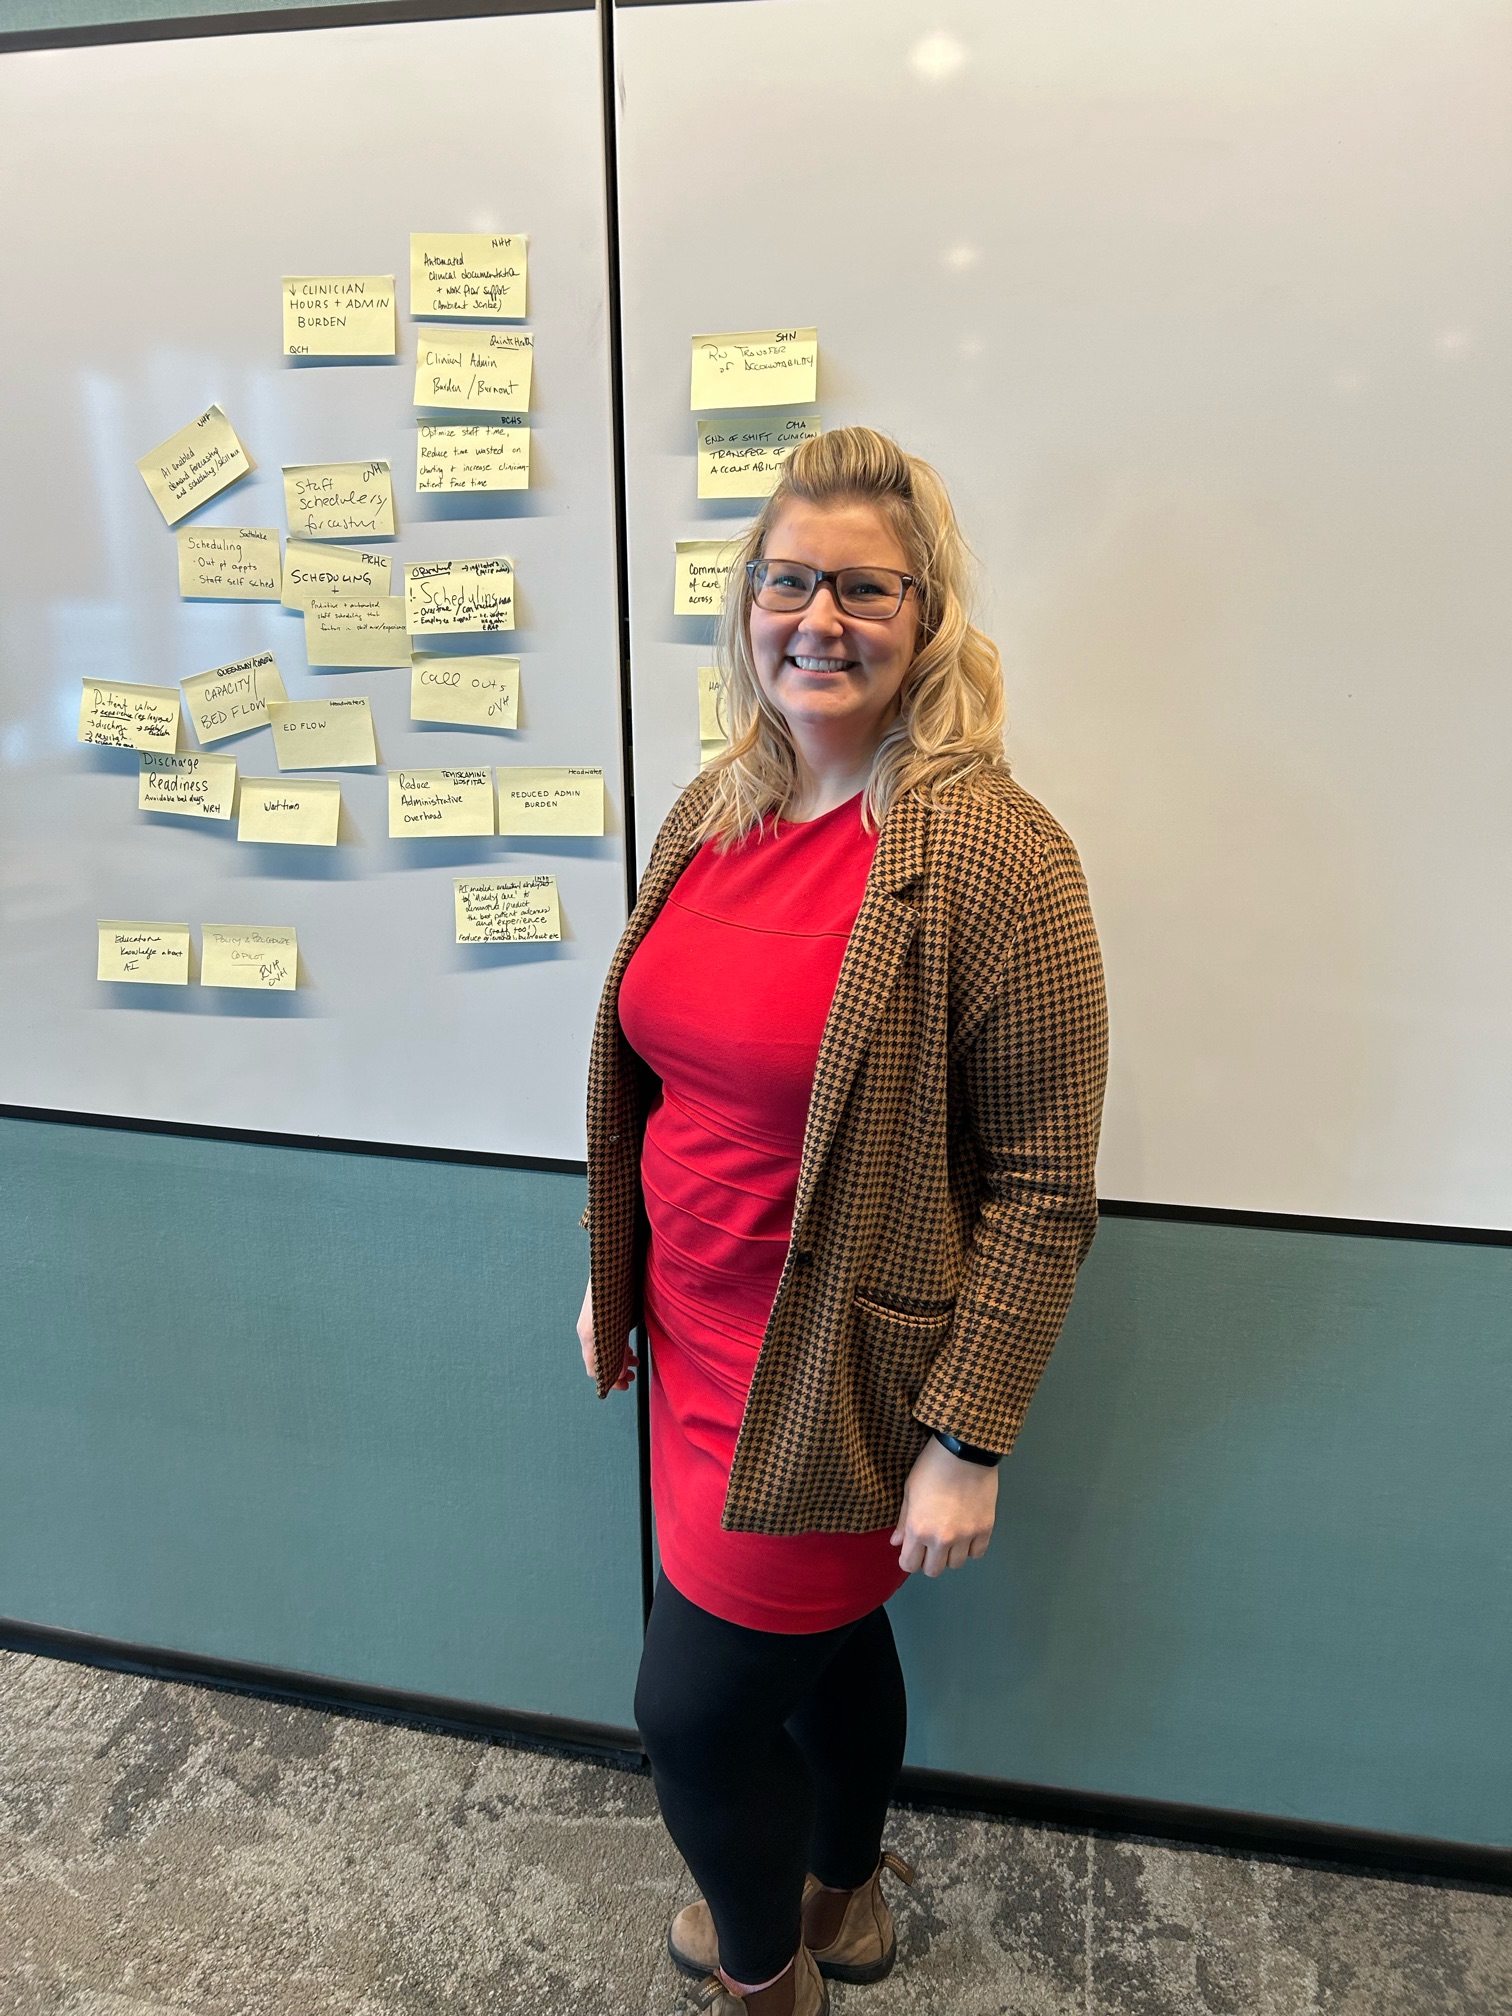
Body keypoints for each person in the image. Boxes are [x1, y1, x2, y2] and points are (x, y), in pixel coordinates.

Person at [577, 427, 1107, 2016]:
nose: (819, 618)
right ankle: (846, 1893)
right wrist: (613, 1274)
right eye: (788, 580)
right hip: (696, 1338)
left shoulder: (995, 854)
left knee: (695, 1720)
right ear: (746, 602)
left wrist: (969, 1438)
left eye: (864, 589)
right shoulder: (716, 805)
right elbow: (660, 1081)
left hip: (841, 1374)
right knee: (826, 1655)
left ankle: (766, 1983)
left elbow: (1043, 1181)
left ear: (925, 617)